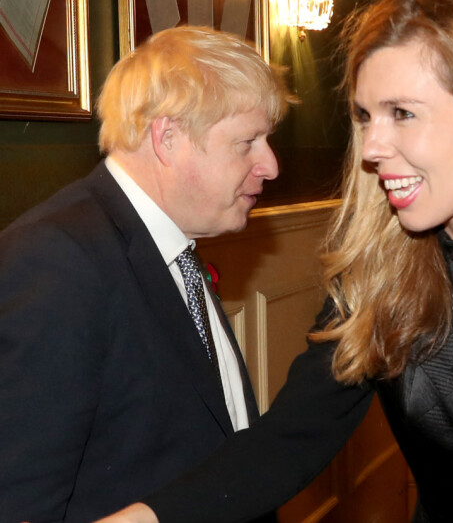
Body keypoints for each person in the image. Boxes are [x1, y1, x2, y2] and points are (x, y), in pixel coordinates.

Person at [97, 0, 453, 523]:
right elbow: (289, 441)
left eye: (403, 113)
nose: (372, 148)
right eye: (365, 116)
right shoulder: (379, 276)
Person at [0, 26, 290, 522]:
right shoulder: (58, 259)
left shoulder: (170, 241)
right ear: (168, 136)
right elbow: (21, 500)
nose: (271, 164)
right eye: (248, 141)